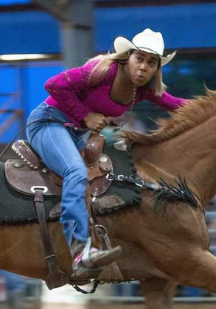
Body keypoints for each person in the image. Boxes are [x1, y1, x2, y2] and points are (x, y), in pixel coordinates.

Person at [26, 28, 187, 276]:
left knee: (114, 177)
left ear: (157, 69)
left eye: (151, 62)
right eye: (139, 59)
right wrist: (85, 115)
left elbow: (176, 104)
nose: (144, 67)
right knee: (75, 171)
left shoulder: (141, 90)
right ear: (127, 58)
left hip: (76, 135)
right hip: (49, 122)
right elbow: (53, 84)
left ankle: (103, 241)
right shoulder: (103, 71)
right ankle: (79, 251)